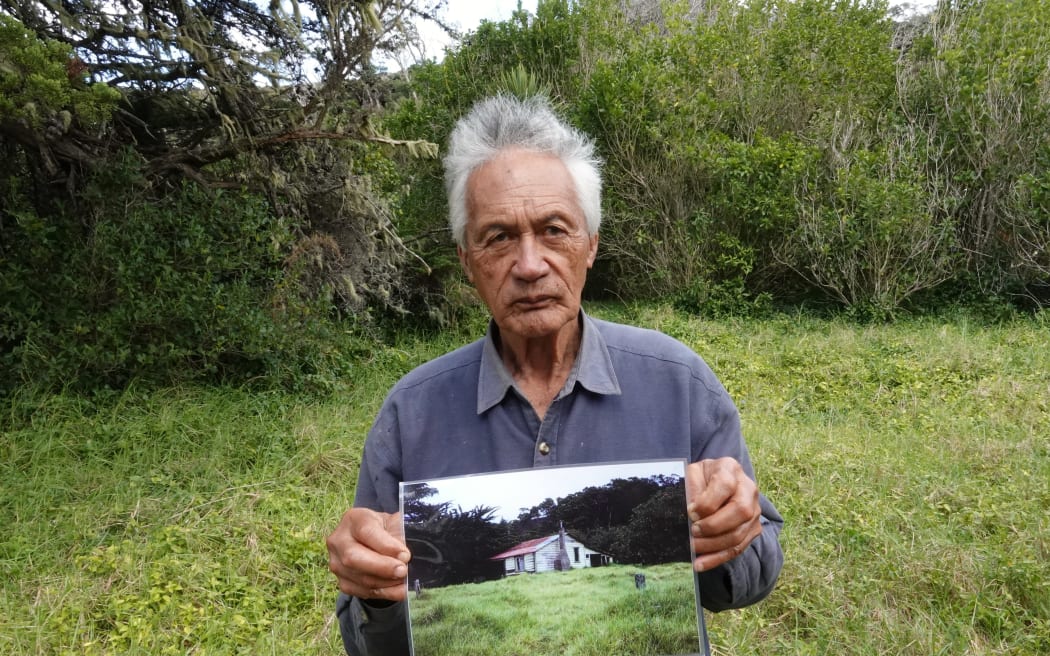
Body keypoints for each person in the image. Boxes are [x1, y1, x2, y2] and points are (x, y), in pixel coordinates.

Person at [326, 94, 784, 656]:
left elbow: (749, 583)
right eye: (498, 237)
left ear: (590, 246)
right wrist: (375, 590)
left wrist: (733, 535)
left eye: (554, 230)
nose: (529, 264)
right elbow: (366, 640)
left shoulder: (679, 384)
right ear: (467, 261)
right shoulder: (411, 414)